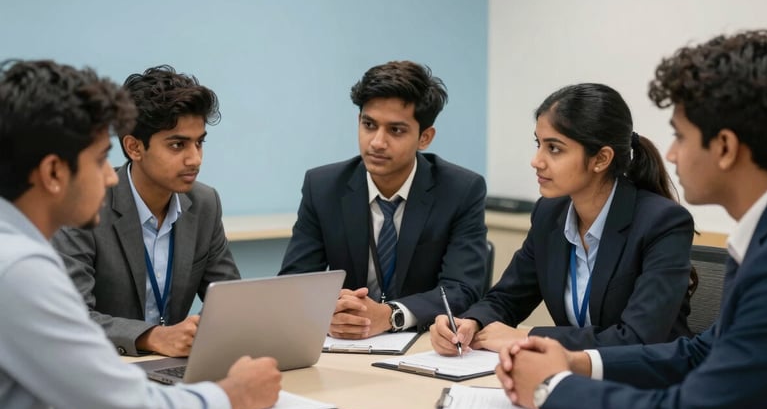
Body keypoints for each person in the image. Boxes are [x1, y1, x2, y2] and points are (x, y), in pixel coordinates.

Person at [497, 30, 767, 409]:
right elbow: (698, 352)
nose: (671, 153)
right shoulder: (753, 243)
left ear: (726, 147)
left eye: (679, 135)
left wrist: (553, 386)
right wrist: (577, 361)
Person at [0, 59, 281, 409]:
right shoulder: (20, 270)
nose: (110, 175)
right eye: (99, 160)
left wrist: (73, 396)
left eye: (199, 143)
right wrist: (235, 393)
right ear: (52, 173)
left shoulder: (13, 248)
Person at [431, 83, 695, 355]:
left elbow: (639, 338)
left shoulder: (663, 223)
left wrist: (529, 337)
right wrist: (471, 322)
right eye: (539, 144)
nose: (536, 160)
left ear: (601, 159)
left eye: (554, 148)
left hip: (650, 383)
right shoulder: (550, 213)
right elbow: (507, 298)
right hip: (575, 379)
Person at [279, 60, 487, 338]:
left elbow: (462, 289)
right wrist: (330, 309)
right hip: (343, 345)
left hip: (423, 344)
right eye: (369, 125)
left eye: (396, 130)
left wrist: (392, 315)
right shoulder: (323, 187)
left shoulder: (461, 190)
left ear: (424, 137)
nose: (377, 142)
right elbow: (294, 282)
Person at [52, 65, 240, 357]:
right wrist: (151, 337)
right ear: (134, 147)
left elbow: (231, 298)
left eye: (199, 143)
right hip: (103, 367)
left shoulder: (205, 204)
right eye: (178, 145)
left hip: (175, 367)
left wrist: (201, 331)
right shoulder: (84, 207)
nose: (195, 159)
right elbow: (72, 317)